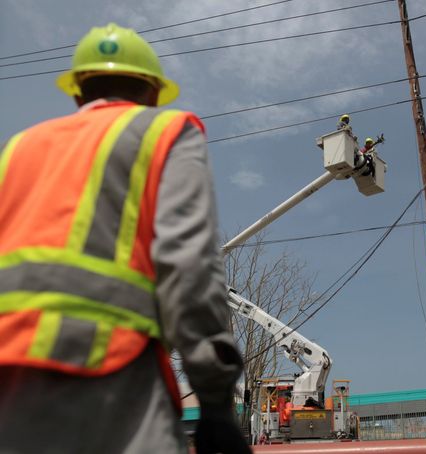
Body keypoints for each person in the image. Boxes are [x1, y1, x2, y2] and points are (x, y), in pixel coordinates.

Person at [0, 23, 249, 454]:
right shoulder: (168, 131)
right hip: (111, 374)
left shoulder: (18, 147)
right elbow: (187, 267)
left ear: (78, 92)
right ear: (153, 93)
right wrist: (214, 401)